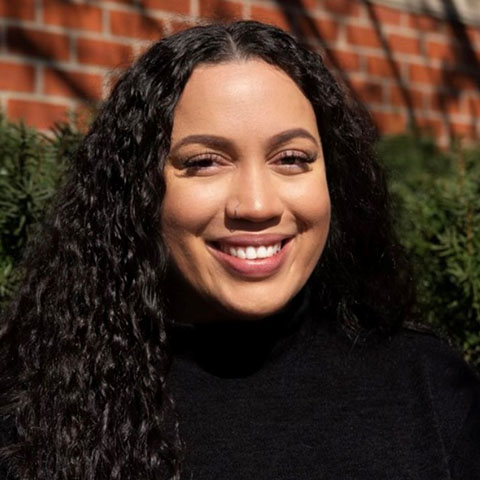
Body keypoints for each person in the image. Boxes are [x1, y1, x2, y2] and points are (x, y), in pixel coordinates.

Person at [0, 20, 479, 480]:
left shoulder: (429, 388)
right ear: (138, 191)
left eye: (291, 159)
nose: (256, 205)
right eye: (206, 162)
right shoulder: (34, 402)